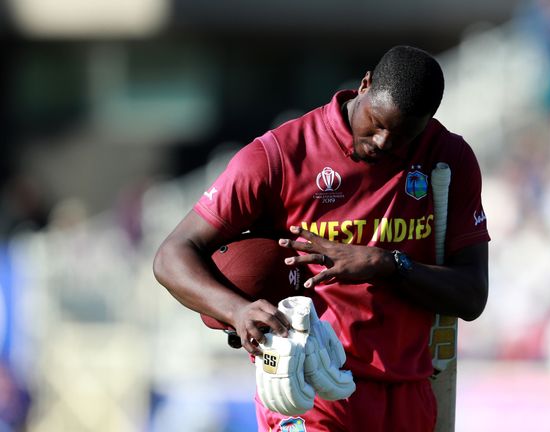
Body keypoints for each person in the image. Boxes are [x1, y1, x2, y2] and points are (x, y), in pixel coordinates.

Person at [153, 45, 490, 431]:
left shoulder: (448, 157)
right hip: (310, 386)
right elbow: (171, 256)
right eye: (377, 122)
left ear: (427, 123)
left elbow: (472, 294)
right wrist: (237, 310)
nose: (383, 141)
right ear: (364, 85)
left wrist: (387, 264)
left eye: (402, 134)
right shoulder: (280, 155)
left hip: (408, 389)